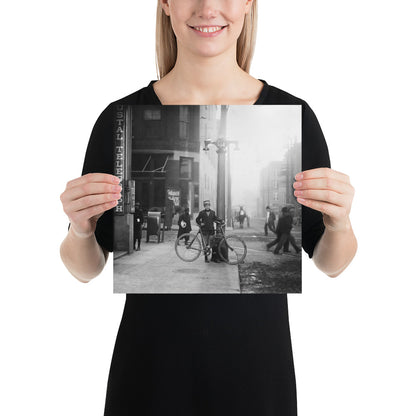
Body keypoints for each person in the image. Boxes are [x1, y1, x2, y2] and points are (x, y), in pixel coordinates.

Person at [59, 1, 357, 414]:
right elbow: (86, 268)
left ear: (250, 4)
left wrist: (339, 223)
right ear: (165, 4)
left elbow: (331, 263)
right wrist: (79, 229)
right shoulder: (116, 118)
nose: (208, 7)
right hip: (150, 379)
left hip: (256, 379)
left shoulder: (297, 115)